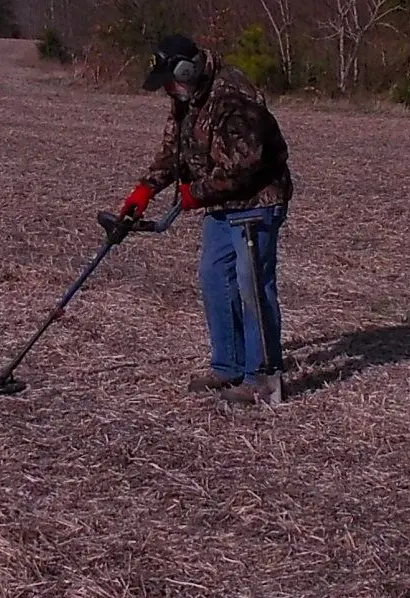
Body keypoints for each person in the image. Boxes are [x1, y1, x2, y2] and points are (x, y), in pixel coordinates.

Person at [116, 33, 292, 406]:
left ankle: (264, 378)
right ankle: (228, 366)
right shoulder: (186, 97)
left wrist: (197, 193)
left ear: (188, 68)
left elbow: (247, 163)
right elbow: (174, 149)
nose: (168, 90)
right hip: (221, 206)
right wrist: (145, 189)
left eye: (170, 80)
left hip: (254, 203)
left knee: (252, 288)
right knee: (215, 279)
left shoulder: (232, 95)